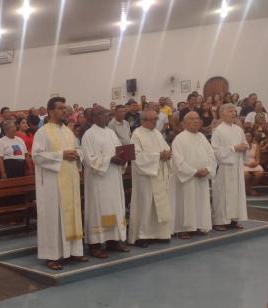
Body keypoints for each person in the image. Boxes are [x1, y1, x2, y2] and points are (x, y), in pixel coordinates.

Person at [32, 97, 87, 270]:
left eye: (65, 108)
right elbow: (37, 156)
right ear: (50, 111)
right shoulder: (42, 132)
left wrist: (78, 155)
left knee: (72, 215)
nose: (65, 111)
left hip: (70, 180)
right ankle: (52, 256)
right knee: (53, 218)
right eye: (61, 108)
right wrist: (61, 155)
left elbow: (78, 149)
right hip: (52, 184)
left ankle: (73, 251)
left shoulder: (68, 131)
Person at [81, 106, 129, 258]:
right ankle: (94, 245)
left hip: (113, 178)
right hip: (99, 181)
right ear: (94, 117)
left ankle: (113, 241)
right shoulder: (89, 135)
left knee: (113, 208)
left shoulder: (111, 132)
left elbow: (119, 151)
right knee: (98, 210)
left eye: (108, 114)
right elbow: (89, 159)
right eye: (103, 114)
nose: (107, 117)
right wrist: (110, 159)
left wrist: (123, 160)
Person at [128, 109, 173, 247]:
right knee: (145, 205)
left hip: (158, 173)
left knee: (157, 205)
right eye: (153, 120)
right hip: (145, 177)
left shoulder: (157, 133)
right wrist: (158, 156)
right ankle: (142, 236)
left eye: (156, 119)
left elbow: (165, 149)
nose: (155, 122)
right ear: (143, 121)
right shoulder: (137, 135)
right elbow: (136, 157)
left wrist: (166, 154)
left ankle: (159, 233)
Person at [169, 112, 217, 239]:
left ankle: (197, 225)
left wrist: (207, 169)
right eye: (192, 119)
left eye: (197, 118)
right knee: (185, 202)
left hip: (202, 177)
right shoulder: (179, 139)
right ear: (184, 123)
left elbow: (211, 155)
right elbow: (178, 161)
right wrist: (193, 172)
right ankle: (183, 228)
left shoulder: (202, 137)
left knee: (200, 201)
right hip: (188, 179)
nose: (196, 121)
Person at [211, 103, 248, 231]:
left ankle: (233, 219)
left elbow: (245, 144)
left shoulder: (238, 129)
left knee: (236, 194)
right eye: (230, 111)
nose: (233, 113)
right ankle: (219, 221)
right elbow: (215, 151)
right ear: (222, 114)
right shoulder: (218, 131)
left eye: (234, 111)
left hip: (236, 166)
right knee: (222, 194)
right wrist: (234, 148)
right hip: (225, 167)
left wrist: (244, 147)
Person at [243, 131, 264, 196]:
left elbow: (258, 159)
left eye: (249, 136)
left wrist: (255, 163)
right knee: (246, 175)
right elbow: (239, 159)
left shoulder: (255, 146)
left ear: (252, 137)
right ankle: (249, 190)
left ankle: (247, 188)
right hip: (244, 163)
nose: (247, 137)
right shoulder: (241, 146)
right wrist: (247, 164)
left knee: (260, 173)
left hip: (253, 163)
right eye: (246, 136)